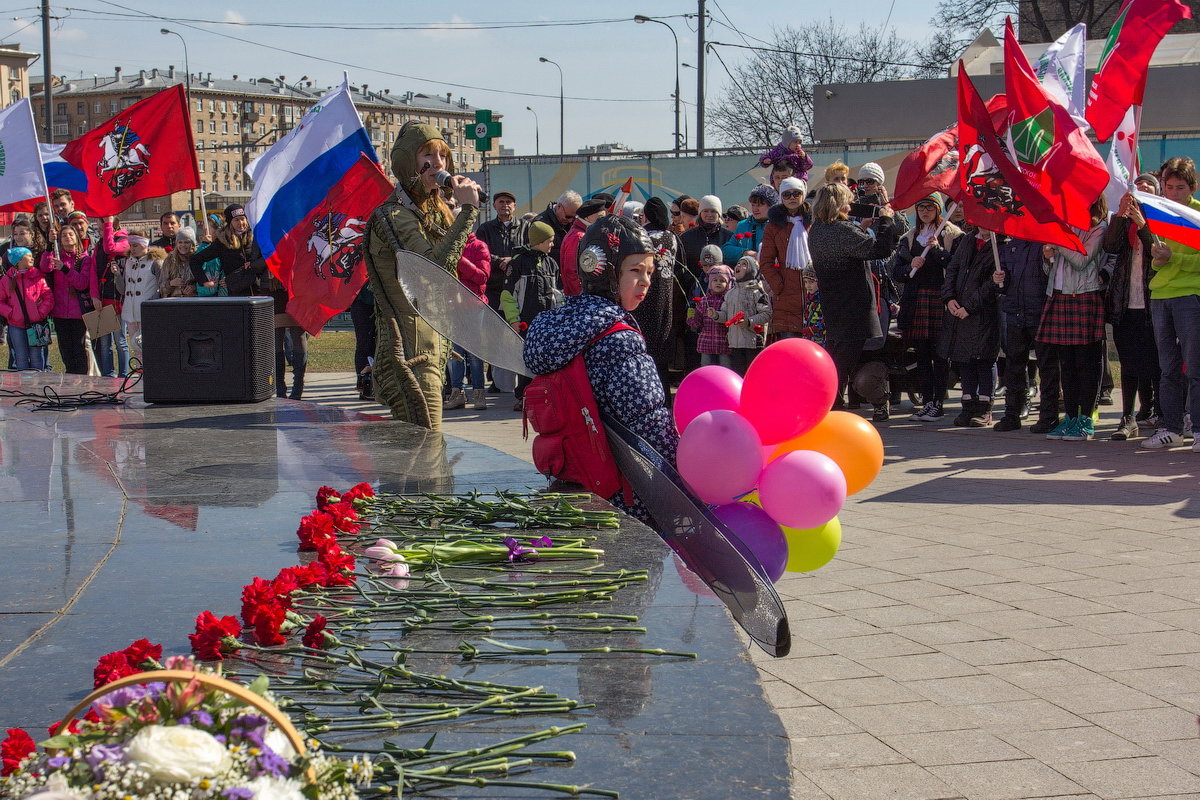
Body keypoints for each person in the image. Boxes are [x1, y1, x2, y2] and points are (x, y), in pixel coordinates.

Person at [523, 214, 677, 519]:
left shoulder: (552, 328)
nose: (646, 280)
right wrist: (683, 472)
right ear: (603, 271)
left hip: (569, 479)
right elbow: (649, 422)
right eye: (635, 270)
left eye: (650, 271)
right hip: (620, 494)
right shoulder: (618, 339)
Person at [363, 121, 481, 430]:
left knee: (421, 453)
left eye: (442, 155)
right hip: (411, 355)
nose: (438, 163)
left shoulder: (431, 210)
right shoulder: (394, 215)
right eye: (427, 154)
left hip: (432, 344)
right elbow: (433, 269)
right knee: (425, 444)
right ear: (407, 161)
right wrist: (467, 213)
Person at [806, 182, 898, 408]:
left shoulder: (817, 230)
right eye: (847, 201)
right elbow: (880, 249)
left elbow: (851, 246)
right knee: (844, 364)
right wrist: (886, 219)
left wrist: (861, 228)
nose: (851, 205)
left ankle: (833, 403)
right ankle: (833, 406)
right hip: (854, 305)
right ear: (839, 204)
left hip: (833, 304)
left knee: (837, 357)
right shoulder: (843, 230)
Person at [1035, 198, 1109, 441]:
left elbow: (1081, 261)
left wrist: (1058, 242)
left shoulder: (1098, 228)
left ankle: (1086, 419)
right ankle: (1070, 418)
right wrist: (1048, 256)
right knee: (1065, 364)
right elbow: (1052, 270)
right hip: (1059, 296)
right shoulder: (1063, 226)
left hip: (1084, 296)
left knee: (1085, 363)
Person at [1143, 156, 1200, 451]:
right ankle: (1171, 428)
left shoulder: (1197, 216)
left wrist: (1172, 259)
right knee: (1167, 368)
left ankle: (1198, 429)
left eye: (1180, 187)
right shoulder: (1159, 213)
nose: (1173, 193)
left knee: (1195, 368)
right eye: (1169, 187)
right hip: (1160, 296)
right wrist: (1159, 257)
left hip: (1190, 296)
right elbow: (1157, 258)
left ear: (1192, 187)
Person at [893, 194, 962, 420]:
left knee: (940, 355)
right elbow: (897, 272)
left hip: (940, 300)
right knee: (921, 354)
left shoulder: (952, 234)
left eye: (929, 208)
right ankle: (927, 400)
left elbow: (956, 267)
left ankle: (939, 403)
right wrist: (909, 266)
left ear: (938, 209)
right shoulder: (910, 237)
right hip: (916, 302)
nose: (924, 212)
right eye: (921, 207)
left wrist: (937, 251)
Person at [1104, 184, 1160, 441]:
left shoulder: (1161, 218)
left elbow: (1156, 251)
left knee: (1156, 364)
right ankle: (1127, 417)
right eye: (1139, 187)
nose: (1142, 190)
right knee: (1128, 363)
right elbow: (1110, 246)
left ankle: (1160, 414)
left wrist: (1144, 224)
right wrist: (1119, 216)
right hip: (1125, 303)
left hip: (1153, 303)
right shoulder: (1124, 221)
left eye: (1149, 187)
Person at [993, 234, 1063, 434]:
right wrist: (999, 279)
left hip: (1041, 312)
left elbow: (1053, 275)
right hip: (1015, 312)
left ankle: (1049, 416)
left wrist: (1049, 258)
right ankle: (1012, 414)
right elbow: (1005, 281)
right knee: (1014, 365)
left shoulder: (1046, 242)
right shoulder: (1012, 244)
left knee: (1047, 366)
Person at [502, 221, 563, 409]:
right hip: (526, 322)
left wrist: (559, 317)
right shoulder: (519, 263)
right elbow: (508, 295)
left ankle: (545, 394)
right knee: (526, 361)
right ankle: (523, 395)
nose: (552, 245)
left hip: (548, 321)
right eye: (549, 241)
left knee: (546, 359)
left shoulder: (551, 263)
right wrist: (513, 319)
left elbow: (558, 294)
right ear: (539, 241)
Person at [760, 177, 815, 341]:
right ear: (781, 197)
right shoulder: (773, 226)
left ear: (803, 194)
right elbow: (765, 262)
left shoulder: (814, 222)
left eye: (796, 193)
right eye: (787, 194)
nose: (792, 198)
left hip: (813, 294)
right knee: (790, 347)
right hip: (785, 298)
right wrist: (779, 286)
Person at [633, 197, 678, 390]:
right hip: (666, 297)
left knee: (646, 350)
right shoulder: (671, 237)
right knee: (662, 350)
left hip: (645, 298)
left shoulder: (643, 238)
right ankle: (665, 397)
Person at [41, 224, 98, 374]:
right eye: (64, 235)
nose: (68, 237)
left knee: (79, 349)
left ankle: (81, 379)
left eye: (71, 234)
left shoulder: (85, 259)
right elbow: (44, 267)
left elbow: (82, 283)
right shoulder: (56, 256)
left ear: (77, 238)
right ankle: (70, 378)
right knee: (65, 350)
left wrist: (65, 269)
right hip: (60, 311)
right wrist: (48, 245)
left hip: (78, 312)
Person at [445, 230, 491, 411]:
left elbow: (482, 276)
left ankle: (479, 393)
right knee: (456, 352)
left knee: (474, 352)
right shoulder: (449, 246)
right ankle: (458, 393)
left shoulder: (479, 246)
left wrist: (459, 260)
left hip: (473, 305)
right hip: (453, 306)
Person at [189, 205, 265, 297]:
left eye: (242, 219)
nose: (241, 223)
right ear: (230, 222)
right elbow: (195, 260)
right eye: (236, 220)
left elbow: (267, 257)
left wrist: (254, 264)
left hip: (259, 290)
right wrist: (204, 281)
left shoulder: (256, 237)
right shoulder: (223, 241)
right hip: (236, 293)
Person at [0, 247, 54, 370]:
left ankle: (37, 384)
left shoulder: (38, 277)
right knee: (20, 357)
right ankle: (24, 386)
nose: (32, 258)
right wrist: (11, 313)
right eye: (28, 256)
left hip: (35, 324)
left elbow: (48, 297)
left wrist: (41, 312)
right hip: (15, 324)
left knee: (37, 356)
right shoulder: (6, 279)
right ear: (19, 260)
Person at [116, 235, 165, 359]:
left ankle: (150, 374)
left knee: (147, 345)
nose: (132, 248)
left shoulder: (155, 262)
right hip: (130, 311)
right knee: (135, 346)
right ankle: (139, 374)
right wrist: (117, 275)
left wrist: (152, 303)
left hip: (146, 311)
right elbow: (123, 289)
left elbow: (163, 286)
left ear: (144, 244)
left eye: (135, 245)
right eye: (131, 245)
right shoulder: (128, 262)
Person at [475, 190, 525, 312]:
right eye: (501, 202)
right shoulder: (485, 229)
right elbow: (479, 253)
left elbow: (530, 250)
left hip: (518, 287)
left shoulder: (526, 227)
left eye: (508, 202)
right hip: (493, 287)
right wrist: (499, 261)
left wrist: (512, 260)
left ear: (514, 205)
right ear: (494, 206)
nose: (505, 205)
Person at [721, 255, 772, 375]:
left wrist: (749, 321)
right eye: (738, 263)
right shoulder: (730, 293)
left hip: (753, 343)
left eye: (744, 264)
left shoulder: (758, 292)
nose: (739, 266)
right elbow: (725, 315)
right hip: (735, 342)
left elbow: (766, 314)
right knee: (738, 374)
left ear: (752, 271)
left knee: (753, 374)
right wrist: (716, 315)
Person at [95, 217, 130, 377]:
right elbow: (93, 271)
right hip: (102, 297)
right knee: (104, 343)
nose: (98, 224)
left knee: (120, 341)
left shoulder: (123, 240)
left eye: (102, 222)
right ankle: (108, 374)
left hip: (117, 297)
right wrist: (94, 295)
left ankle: (124, 375)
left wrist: (108, 223)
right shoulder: (98, 244)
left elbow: (110, 249)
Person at [560, 195, 608, 297]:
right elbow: (571, 271)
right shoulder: (578, 236)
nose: (603, 221)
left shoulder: (583, 233)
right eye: (600, 217)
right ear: (587, 217)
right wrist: (582, 295)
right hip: (578, 297)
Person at [688, 263, 733, 368]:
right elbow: (697, 323)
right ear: (710, 283)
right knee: (706, 367)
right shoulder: (704, 301)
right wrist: (691, 319)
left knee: (725, 368)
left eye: (722, 280)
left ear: (728, 283)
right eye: (715, 280)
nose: (718, 283)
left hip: (724, 343)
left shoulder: (728, 300)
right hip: (706, 342)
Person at [723, 184, 778, 265]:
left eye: (760, 205)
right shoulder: (743, 225)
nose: (755, 209)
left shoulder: (778, 225)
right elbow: (726, 250)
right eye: (753, 205)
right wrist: (746, 253)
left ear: (771, 206)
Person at [679, 195, 732, 276]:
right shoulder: (686, 237)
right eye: (705, 211)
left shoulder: (729, 237)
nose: (709, 214)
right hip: (694, 286)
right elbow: (681, 265)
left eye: (713, 211)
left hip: (721, 285)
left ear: (719, 214)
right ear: (700, 213)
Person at [533, 190, 582, 266]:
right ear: (559, 207)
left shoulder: (575, 223)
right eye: (568, 216)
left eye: (575, 217)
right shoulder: (540, 223)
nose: (570, 220)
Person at [158, 227, 198, 298]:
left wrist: (194, 287)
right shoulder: (170, 259)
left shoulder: (197, 258)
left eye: (186, 242)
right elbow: (161, 287)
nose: (183, 245)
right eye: (180, 242)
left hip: (193, 300)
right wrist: (171, 283)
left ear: (192, 244)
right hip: (174, 302)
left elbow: (205, 282)